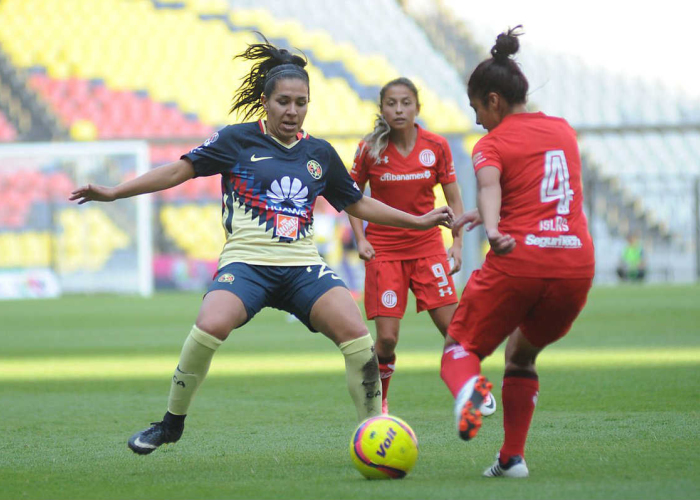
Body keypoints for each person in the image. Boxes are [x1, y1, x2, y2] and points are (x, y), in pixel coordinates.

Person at [70, 37, 454, 455]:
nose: (292, 111)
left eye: (301, 102)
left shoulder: (319, 153)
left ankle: (373, 433)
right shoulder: (236, 141)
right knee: (209, 325)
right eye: (284, 102)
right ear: (265, 102)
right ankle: (170, 424)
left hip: (302, 266)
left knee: (358, 336)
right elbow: (178, 171)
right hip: (246, 264)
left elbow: (356, 201)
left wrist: (418, 220)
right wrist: (114, 193)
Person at [439, 26, 595, 478]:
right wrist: (483, 219)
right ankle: (512, 459)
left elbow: (489, 186)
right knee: (521, 356)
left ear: (493, 100)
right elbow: (535, 186)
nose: (476, 121)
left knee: (459, 347)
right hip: (574, 264)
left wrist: (489, 227)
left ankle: (470, 389)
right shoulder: (564, 132)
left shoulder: (492, 143)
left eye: (476, 109)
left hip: (520, 259)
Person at [347, 77, 495, 417]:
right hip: (384, 251)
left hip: (428, 249)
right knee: (386, 340)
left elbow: (454, 198)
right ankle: (379, 404)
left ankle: (470, 388)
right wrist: (361, 238)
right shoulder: (369, 148)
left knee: (456, 328)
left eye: (405, 103)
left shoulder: (437, 146)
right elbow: (351, 199)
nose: (398, 109)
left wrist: (456, 243)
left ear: (417, 107)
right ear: (382, 108)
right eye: (391, 103)